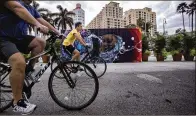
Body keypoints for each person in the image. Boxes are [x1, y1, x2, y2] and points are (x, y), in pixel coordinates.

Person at [0, 0, 59, 115]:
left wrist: (57, 32)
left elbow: (41, 20)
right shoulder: (13, 2)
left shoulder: (31, 8)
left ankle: (28, 71)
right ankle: (17, 103)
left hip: (19, 39)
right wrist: (37, 25)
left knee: (40, 43)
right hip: (3, 39)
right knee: (19, 62)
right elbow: (18, 8)